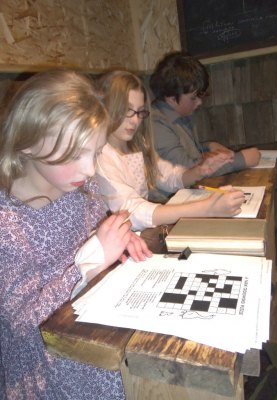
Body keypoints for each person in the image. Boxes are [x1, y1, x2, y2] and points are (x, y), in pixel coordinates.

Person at [0, 69, 152, 400]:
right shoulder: (7, 225)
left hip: (87, 316)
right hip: (40, 359)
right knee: (125, 377)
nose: (90, 169)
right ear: (26, 143)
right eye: (75, 154)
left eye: (95, 152)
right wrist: (92, 261)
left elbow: (100, 230)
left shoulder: (79, 187)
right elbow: (23, 324)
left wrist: (119, 234)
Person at [96, 70, 245, 232]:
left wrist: (200, 170)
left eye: (140, 111)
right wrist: (207, 208)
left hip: (140, 233)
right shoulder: (100, 156)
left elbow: (167, 176)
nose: (135, 120)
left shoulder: (137, 143)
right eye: (127, 109)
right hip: (120, 240)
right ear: (105, 107)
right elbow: (130, 212)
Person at [149, 51, 261, 172]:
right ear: (172, 99)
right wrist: (241, 160)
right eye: (193, 98)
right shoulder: (156, 124)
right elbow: (186, 170)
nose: (199, 102)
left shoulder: (178, 113)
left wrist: (208, 147)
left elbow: (186, 150)